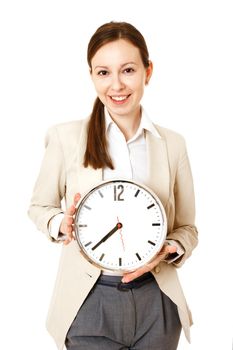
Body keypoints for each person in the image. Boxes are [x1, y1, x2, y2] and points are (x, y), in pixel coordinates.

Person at [28, 21, 198, 350]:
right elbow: (39, 206)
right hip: (88, 300)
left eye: (128, 70)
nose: (117, 85)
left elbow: (188, 228)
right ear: (91, 75)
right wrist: (59, 224)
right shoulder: (66, 138)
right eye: (103, 72)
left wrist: (171, 248)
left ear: (148, 72)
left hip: (156, 301)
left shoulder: (172, 145)